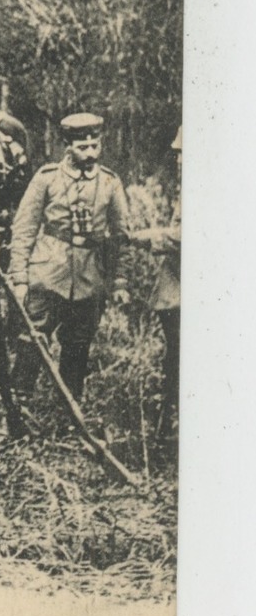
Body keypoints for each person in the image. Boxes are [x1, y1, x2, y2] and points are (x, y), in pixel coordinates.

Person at [9, 112, 129, 403]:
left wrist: (120, 281)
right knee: (32, 338)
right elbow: (24, 228)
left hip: (90, 277)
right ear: (68, 147)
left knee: (78, 344)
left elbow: (121, 237)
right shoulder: (46, 178)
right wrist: (20, 277)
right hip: (47, 272)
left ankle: (68, 409)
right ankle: (18, 404)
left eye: (95, 146)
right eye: (82, 147)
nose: (90, 153)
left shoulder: (110, 184)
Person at [130, 126, 181, 430]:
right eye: (177, 155)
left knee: (180, 355)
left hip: (183, 289)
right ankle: (168, 418)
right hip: (175, 289)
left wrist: (142, 238)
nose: (178, 161)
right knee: (174, 355)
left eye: (183, 155)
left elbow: (181, 237)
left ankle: (171, 419)